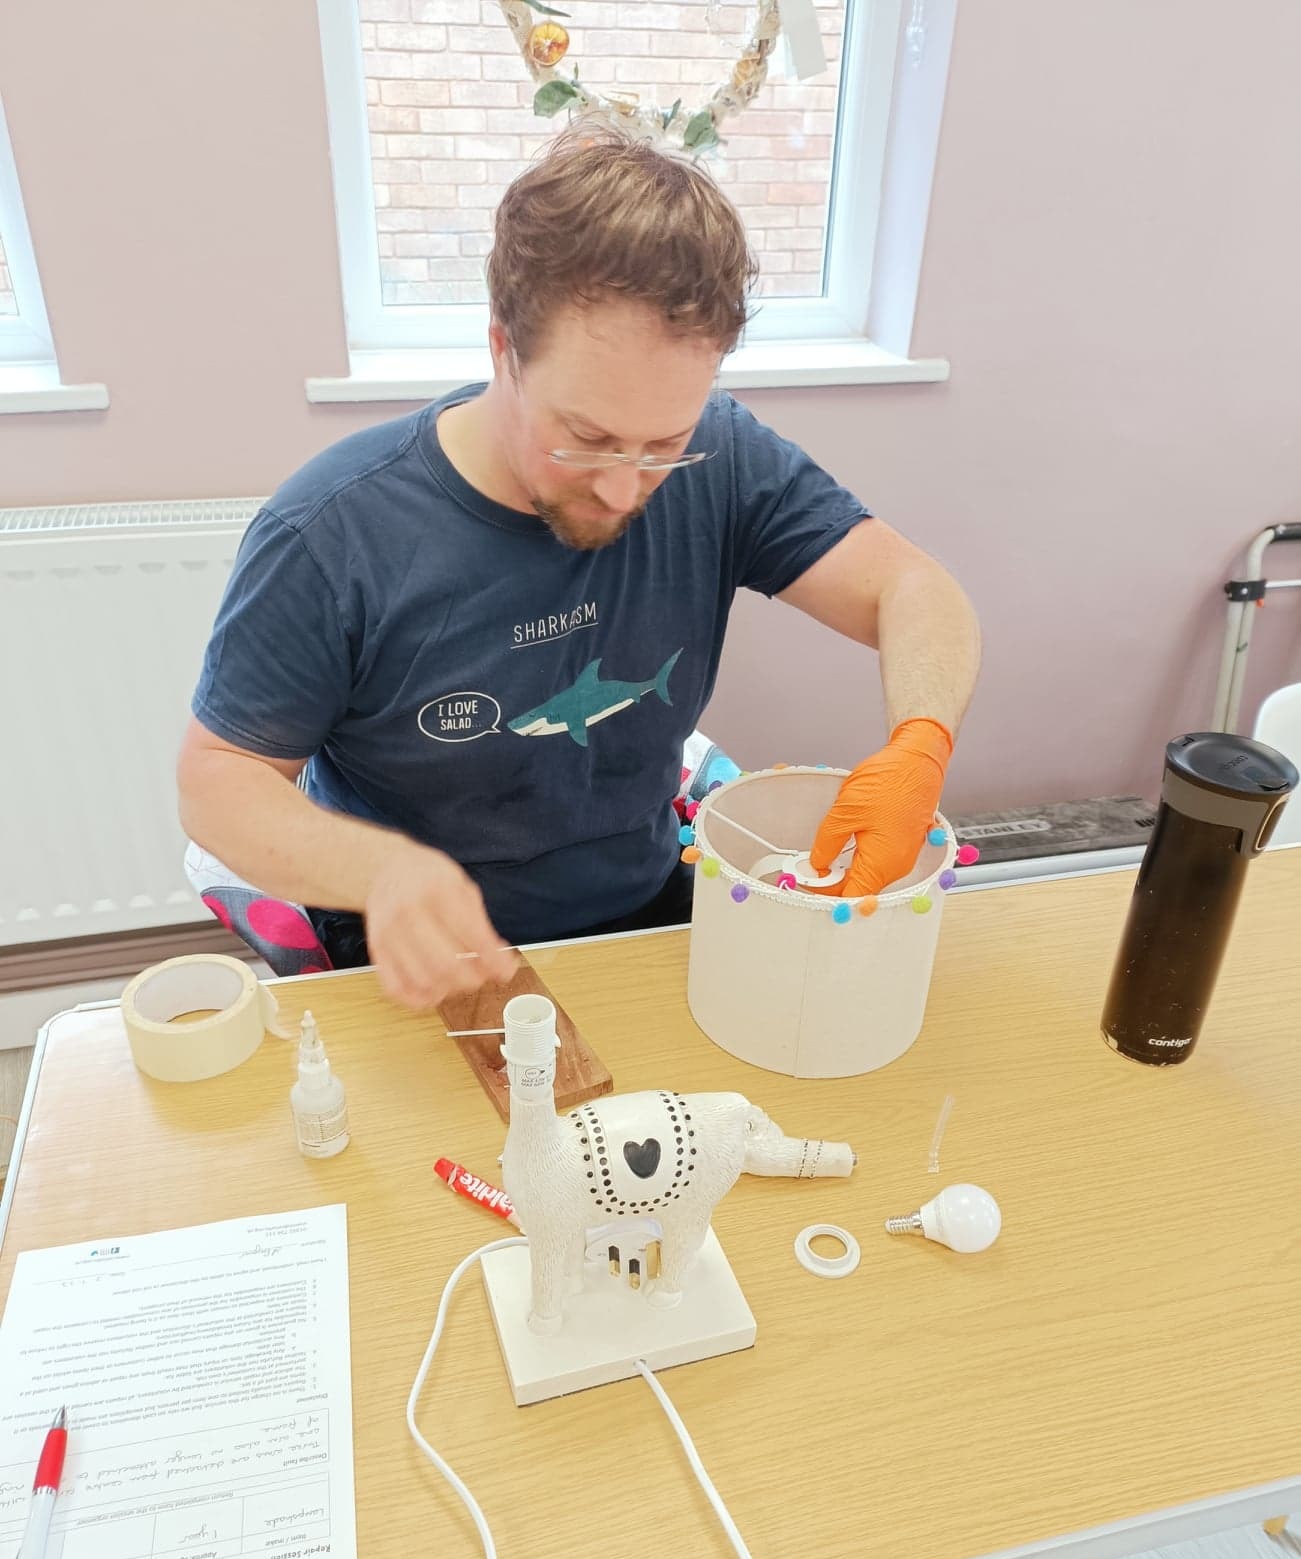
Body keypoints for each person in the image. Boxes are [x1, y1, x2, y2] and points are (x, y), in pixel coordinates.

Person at [178, 122, 980, 1013]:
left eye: (661, 445)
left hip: (642, 913)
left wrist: (920, 744)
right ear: (501, 351)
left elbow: (914, 590)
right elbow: (219, 781)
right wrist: (383, 872)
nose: (621, 486)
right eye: (586, 438)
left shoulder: (723, 459)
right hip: (415, 952)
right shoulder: (332, 533)